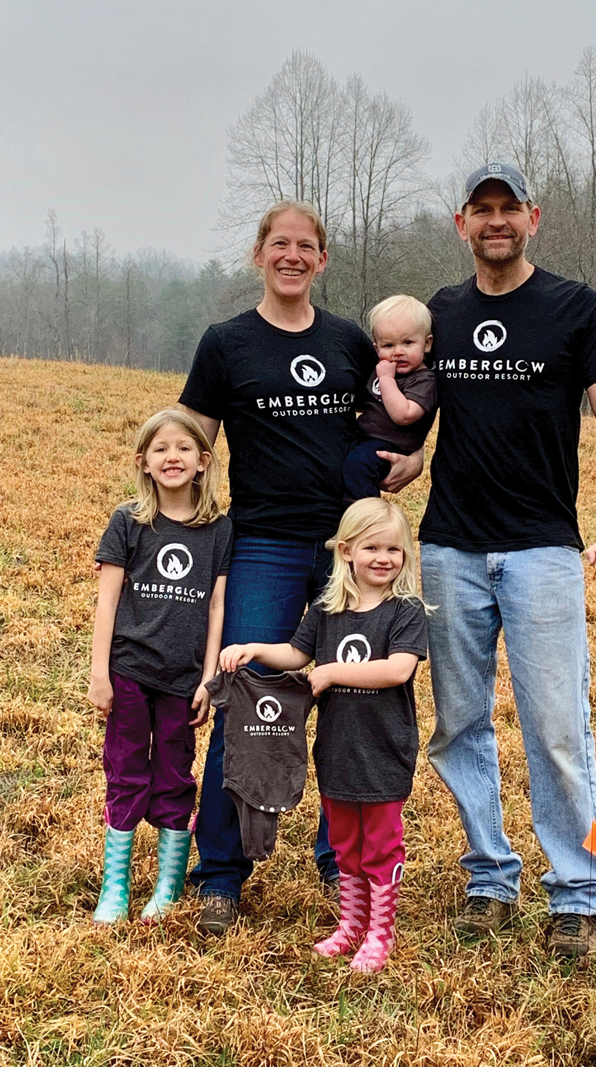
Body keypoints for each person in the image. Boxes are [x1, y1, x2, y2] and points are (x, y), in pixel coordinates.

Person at [420, 163, 596, 960]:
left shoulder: (575, 308)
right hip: (449, 546)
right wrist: (384, 468)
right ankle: (489, 876)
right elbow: (414, 420)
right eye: (481, 209)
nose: (496, 221)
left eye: (508, 207)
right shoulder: (440, 313)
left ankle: (577, 889)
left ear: (533, 217)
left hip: (543, 548)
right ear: (461, 223)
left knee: (556, 727)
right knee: (458, 724)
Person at [179, 201, 423, 936]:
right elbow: (192, 441)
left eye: (305, 246)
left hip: (344, 548)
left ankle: (340, 862)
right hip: (262, 545)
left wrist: (414, 458)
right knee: (247, 693)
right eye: (278, 244)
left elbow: (392, 418)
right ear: (258, 254)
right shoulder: (226, 343)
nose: (292, 255)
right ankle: (221, 872)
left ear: (322, 259)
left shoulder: (349, 341)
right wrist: (174, 526)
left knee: (351, 697)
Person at [218, 498, 427, 973]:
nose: (383, 558)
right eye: (371, 547)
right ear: (346, 550)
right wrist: (254, 649)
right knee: (345, 843)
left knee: (380, 844)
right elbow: (296, 654)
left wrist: (332, 672)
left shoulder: (405, 611)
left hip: (383, 750)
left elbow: (398, 669)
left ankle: (380, 932)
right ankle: (351, 925)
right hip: (336, 748)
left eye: (394, 549)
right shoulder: (328, 610)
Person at [88, 409, 233, 925]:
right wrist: (99, 673)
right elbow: (107, 602)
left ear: (203, 460)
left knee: (174, 775)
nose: (173, 456)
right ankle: (116, 886)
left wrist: (209, 678)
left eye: (184, 448)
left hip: (183, 679)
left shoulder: (219, 529)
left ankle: (168, 885)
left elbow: (216, 607)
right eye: (161, 449)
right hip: (128, 670)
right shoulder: (128, 522)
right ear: (143, 462)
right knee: (126, 771)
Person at [342, 295, 437, 502]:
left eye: (408, 342)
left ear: (427, 344)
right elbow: (367, 401)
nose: (398, 352)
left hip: (392, 445)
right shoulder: (383, 370)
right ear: (376, 349)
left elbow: (404, 415)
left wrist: (386, 379)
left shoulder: (424, 380)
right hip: (365, 437)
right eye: (388, 345)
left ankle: (363, 513)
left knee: (360, 465)